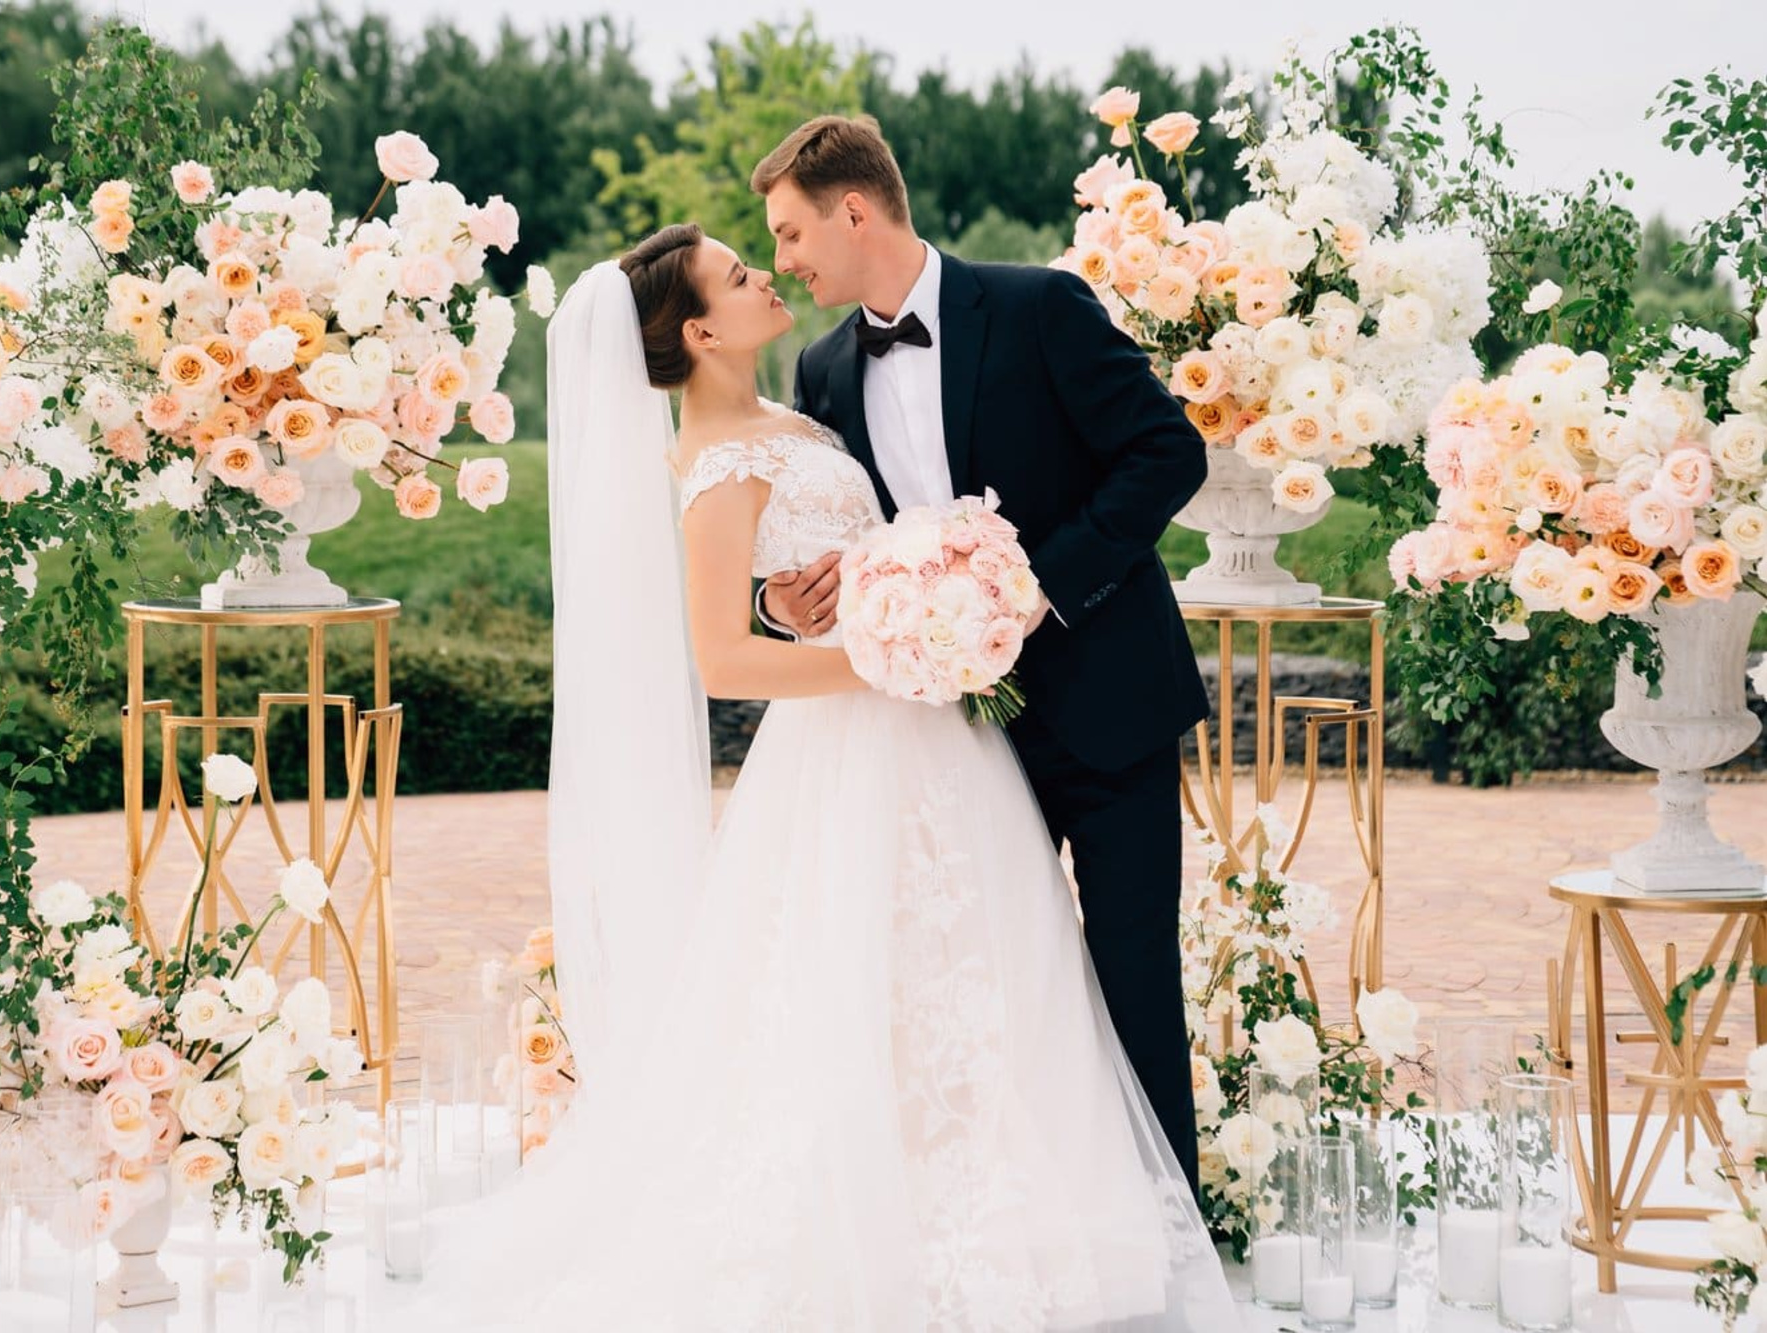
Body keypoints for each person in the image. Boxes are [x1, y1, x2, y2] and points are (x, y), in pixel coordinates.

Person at [411, 218, 1239, 1331]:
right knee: (856, 982)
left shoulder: (800, 404)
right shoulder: (711, 463)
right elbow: (719, 661)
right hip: (856, 739)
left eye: (772, 248)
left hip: (947, 737)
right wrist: (888, 651)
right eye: (742, 273)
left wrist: (853, 601)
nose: (769, 273)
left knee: (987, 970)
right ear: (699, 329)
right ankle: (877, 1224)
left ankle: (1028, 1201)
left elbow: (836, 556)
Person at [755, 115, 1209, 1187]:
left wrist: (1031, 587)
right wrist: (784, 602)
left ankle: (1168, 1232)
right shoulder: (822, 370)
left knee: (1130, 972)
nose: (782, 260)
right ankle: (1030, 1224)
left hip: (1106, 705)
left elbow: (1164, 452)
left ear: (853, 210)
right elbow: (821, 544)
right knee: (992, 985)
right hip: (953, 740)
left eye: (787, 233)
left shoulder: (1036, 305)